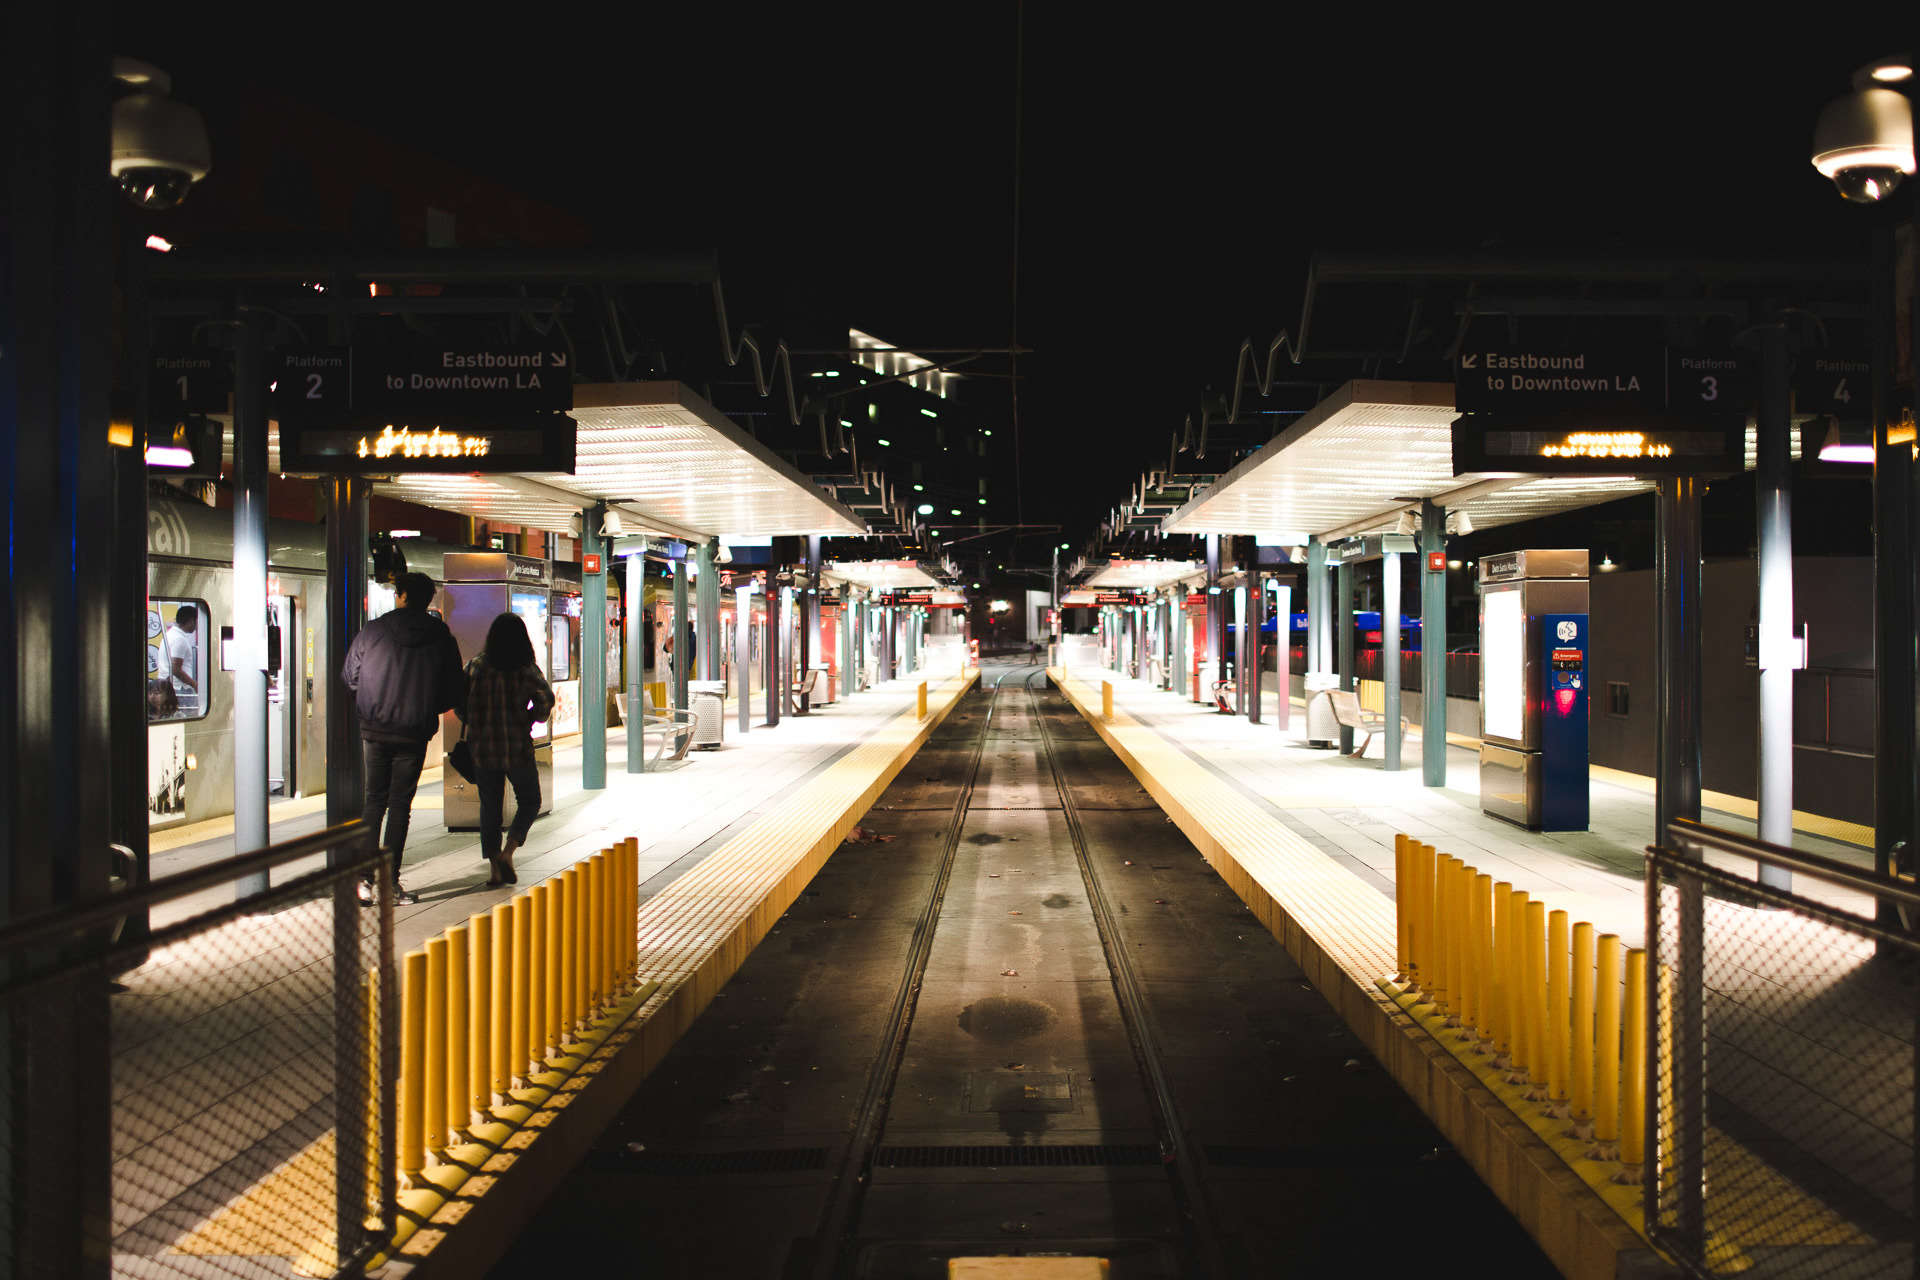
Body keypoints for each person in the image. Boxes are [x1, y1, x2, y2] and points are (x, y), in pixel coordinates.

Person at [342, 571, 466, 904]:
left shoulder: (373, 630)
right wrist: (425, 706)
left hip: (375, 729)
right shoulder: (441, 636)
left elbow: (349, 677)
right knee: (399, 807)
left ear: (403, 596)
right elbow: (455, 687)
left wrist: (372, 704)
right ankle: (389, 884)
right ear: (428, 600)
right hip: (413, 732)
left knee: (374, 802)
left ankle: (362, 881)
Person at [458, 612, 554, 885]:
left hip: (482, 748)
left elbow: (459, 704)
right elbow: (546, 699)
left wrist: (474, 720)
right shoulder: (525, 668)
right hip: (516, 747)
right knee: (530, 800)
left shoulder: (475, 666)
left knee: (490, 805)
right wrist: (532, 717)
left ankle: (493, 866)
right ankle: (509, 851)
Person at [164, 604, 200, 717]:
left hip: (172, 687)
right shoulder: (179, 640)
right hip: (180, 689)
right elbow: (175, 668)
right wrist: (194, 684)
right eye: (196, 622)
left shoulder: (170, 635)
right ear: (191, 621)